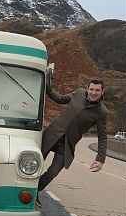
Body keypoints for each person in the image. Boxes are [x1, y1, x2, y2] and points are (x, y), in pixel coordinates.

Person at [36, 77, 109, 207]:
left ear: (102, 91)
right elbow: (60, 99)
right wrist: (47, 86)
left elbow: (102, 137)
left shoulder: (102, 112)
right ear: (87, 89)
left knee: (53, 172)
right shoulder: (79, 93)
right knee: (35, 164)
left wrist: (100, 158)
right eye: (91, 89)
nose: (93, 92)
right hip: (53, 134)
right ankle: (23, 190)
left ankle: (35, 192)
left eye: (97, 90)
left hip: (67, 145)